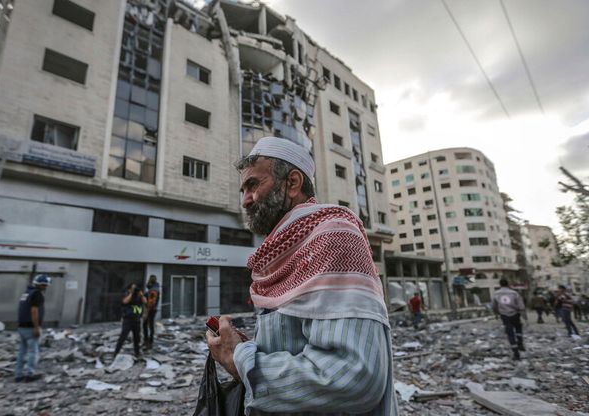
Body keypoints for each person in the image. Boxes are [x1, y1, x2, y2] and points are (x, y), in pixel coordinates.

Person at [206, 137, 398, 415]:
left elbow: (353, 378)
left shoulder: (333, 237)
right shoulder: (284, 252)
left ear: (292, 183)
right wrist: (245, 346)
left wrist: (240, 359)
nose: (246, 200)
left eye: (253, 185)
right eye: (243, 189)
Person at [15, 274, 51, 382]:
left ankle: (18, 374)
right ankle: (30, 374)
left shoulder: (26, 293)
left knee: (22, 351)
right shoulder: (37, 294)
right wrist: (36, 327)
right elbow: (34, 311)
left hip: (21, 326)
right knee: (33, 351)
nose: (45, 287)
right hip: (30, 326)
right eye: (44, 285)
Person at [491, 278, 526, 361]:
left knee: (510, 333)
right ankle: (520, 342)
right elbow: (521, 306)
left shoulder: (496, 294)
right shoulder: (514, 293)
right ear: (508, 284)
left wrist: (496, 313)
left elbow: (493, 306)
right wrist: (523, 315)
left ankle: (516, 353)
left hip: (504, 315)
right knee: (518, 328)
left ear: (500, 285)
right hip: (515, 314)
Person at [113, 283, 146, 358]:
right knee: (123, 337)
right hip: (128, 319)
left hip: (137, 320)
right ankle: (116, 352)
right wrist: (131, 293)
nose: (135, 289)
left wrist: (141, 295)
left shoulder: (139, 296)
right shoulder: (126, 294)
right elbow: (125, 301)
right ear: (129, 289)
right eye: (133, 288)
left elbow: (145, 301)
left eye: (135, 288)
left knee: (137, 338)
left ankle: (137, 353)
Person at [142, 275, 160, 350]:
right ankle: (148, 341)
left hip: (150, 309)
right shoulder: (155, 289)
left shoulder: (153, 290)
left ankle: (148, 342)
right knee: (149, 325)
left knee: (147, 325)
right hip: (152, 309)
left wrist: (146, 311)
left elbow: (151, 302)